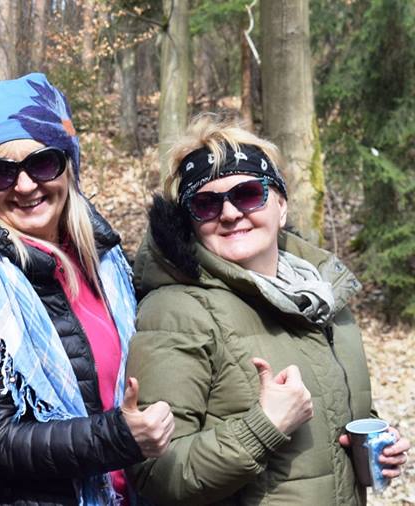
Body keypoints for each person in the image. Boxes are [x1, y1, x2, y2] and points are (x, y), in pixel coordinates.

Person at [126, 114, 410, 505]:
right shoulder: (177, 312)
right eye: (206, 204)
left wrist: (375, 442)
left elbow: (333, 414)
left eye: (247, 194)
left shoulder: (323, 298)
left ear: (281, 205)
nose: (229, 213)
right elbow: (155, 474)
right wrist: (264, 425)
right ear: (190, 223)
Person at [0, 72, 174, 505]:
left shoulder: (107, 260)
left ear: (69, 165)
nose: (25, 185)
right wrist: (117, 438)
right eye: (0, 172)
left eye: (42, 163)